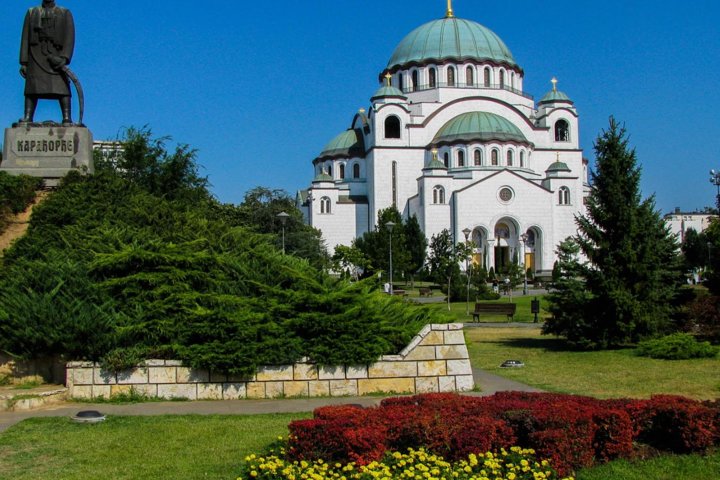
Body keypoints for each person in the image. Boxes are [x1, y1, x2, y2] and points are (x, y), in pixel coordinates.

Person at [19, 0, 75, 125]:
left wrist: (64, 58)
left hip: (56, 55)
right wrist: (24, 62)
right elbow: (25, 38)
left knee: (63, 87)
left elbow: (69, 37)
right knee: (32, 87)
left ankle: (67, 117)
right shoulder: (32, 12)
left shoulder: (64, 13)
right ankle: (28, 116)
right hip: (36, 54)